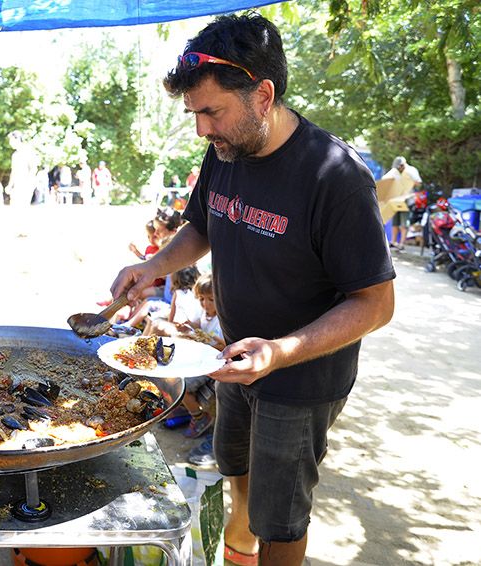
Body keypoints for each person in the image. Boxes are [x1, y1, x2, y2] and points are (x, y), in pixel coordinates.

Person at [110, 14, 395, 566]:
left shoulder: (334, 176)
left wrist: (281, 351)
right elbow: (201, 225)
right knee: (235, 466)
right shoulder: (226, 150)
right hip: (234, 358)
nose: (202, 130)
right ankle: (239, 554)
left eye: (212, 112)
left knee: (281, 519)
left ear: (262, 95)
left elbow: (376, 303)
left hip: (301, 375)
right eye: (195, 114)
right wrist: (153, 266)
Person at [384, 156, 423, 250]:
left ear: (403, 165)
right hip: (396, 199)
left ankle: (401, 244)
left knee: (404, 223)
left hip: (407, 200)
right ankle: (393, 242)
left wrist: (410, 181)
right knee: (395, 223)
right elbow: (385, 179)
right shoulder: (395, 171)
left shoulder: (412, 170)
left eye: (399, 167)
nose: (398, 169)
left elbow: (419, 184)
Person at [5, 130, 38, 206]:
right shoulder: (15, 155)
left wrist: (28, 184)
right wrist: (10, 185)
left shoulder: (28, 151)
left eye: (11, 140)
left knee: (23, 207)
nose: (10, 143)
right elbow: (13, 172)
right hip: (17, 185)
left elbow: (33, 168)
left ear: (17, 139)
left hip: (26, 184)